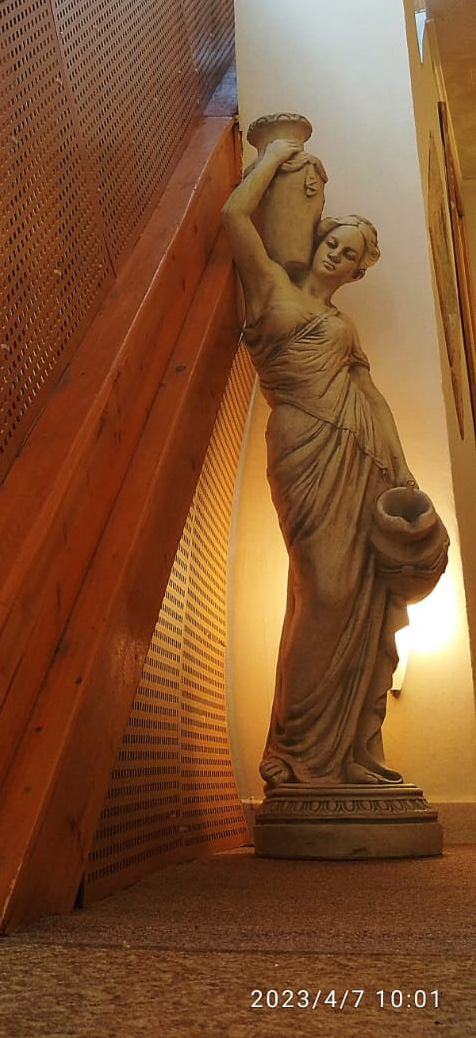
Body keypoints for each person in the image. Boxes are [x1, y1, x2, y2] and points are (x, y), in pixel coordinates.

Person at [223, 136, 417, 788]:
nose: (340, 252)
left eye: (352, 253)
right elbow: (232, 215)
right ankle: (293, 753)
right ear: (320, 238)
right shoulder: (270, 284)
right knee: (324, 591)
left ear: (358, 271)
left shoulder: (342, 326)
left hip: (358, 456)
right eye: (336, 240)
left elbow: (370, 395)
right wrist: (274, 155)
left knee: (358, 590)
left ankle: (346, 753)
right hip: (301, 446)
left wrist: (402, 470)